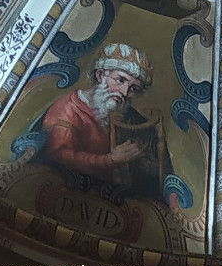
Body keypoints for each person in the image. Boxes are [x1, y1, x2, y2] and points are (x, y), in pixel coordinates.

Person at [37, 43, 166, 188]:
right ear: (100, 75)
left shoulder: (126, 114)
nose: (124, 92)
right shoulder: (68, 110)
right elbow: (58, 156)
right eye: (120, 80)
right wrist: (110, 160)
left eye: (133, 89)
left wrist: (146, 165)